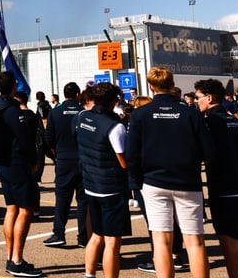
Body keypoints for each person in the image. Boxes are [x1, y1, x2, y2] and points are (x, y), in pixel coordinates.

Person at [127, 67, 214, 278]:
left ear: (150, 86)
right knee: (195, 241)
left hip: (154, 182)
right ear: (172, 84)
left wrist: (139, 181)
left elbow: (132, 154)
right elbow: (208, 151)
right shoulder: (191, 113)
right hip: (187, 181)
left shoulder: (140, 114)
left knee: (162, 242)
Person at [76, 82, 131, 278]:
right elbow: (123, 161)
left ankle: (89, 274)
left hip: (91, 183)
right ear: (114, 101)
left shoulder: (83, 117)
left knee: (97, 235)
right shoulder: (115, 126)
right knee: (112, 242)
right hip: (111, 187)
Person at [0, 72, 42, 278]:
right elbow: (24, 139)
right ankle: (17, 260)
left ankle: (11, 256)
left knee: (11, 208)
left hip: (1, 162)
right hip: (16, 163)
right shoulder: (12, 109)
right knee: (26, 209)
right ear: (13, 86)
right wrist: (34, 161)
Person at [195, 79, 238, 278]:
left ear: (209, 98)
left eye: (198, 98)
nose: (196, 102)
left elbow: (206, 153)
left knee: (227, 239)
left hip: (224, 189)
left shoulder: (209, 122)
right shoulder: (235, 119)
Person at [43, 81, 88, 248]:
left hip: (64, 160)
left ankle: (59, 233)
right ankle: (83, 237)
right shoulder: (84, 112)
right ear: (78, 95)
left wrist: (56, 154)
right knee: (84, 200)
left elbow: (48, 138)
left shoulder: (55, 112)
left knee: (62, 198)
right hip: (83, 160)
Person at [14, 91, 42, 218]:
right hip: (32, 150)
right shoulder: (32, 115)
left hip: (23, 152)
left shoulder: (20, 116)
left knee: (26, 182)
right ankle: (35, 207)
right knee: (32, 181)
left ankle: (29, 207)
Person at [34, 91, 51, 183]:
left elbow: (44, 120)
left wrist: (45, 133)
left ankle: (37, 177)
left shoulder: (41, 106)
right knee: (51, 155)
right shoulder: (48, 105)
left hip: (42, 134)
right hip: (46, 133)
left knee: (40, 158)